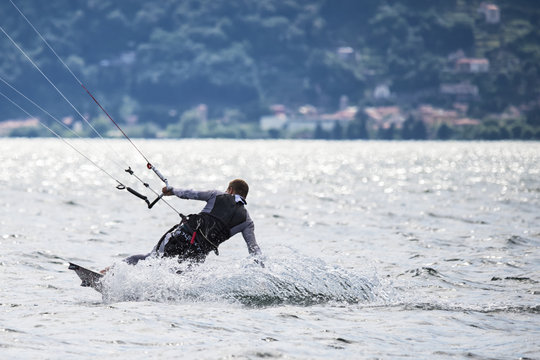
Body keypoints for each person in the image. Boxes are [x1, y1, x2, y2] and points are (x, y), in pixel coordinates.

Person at [111, 179, 262, 271]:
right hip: (198, 253)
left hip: (182, 236)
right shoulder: (247, 222)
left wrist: (172, 191)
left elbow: (190, 193)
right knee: (178, 274)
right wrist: (262, 270)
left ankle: (110, 272)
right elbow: (254, 249)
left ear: (230, 190)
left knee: (150, 258)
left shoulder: (217, 195)